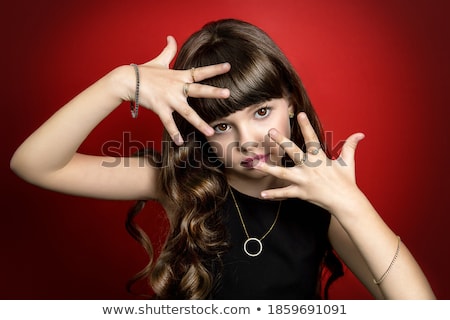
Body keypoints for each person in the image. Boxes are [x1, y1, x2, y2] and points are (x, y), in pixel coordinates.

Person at [10, 19, 435, 300]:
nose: (249, 140)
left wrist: (351, 204)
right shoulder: (181, 181)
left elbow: (420, 307)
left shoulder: (324, 202)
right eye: (223, 125)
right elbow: (34, 164)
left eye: (262, 112)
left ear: (289, 101)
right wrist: (121, 82)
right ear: (198, 129)